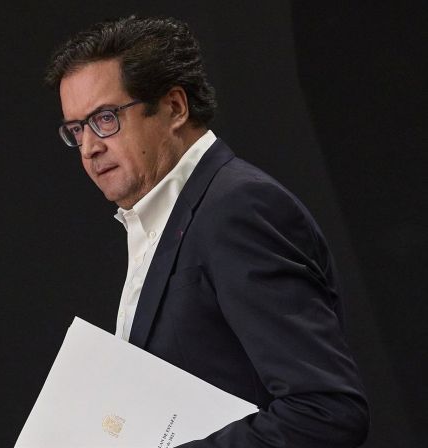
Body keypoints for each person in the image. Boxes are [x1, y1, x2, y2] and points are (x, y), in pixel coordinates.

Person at [44, 15, 369, 447]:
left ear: (175, 108)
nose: (89, 147)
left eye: (105, 118)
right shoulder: (161, 220)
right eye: (76, 129)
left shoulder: (238, 208)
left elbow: (326, 412)